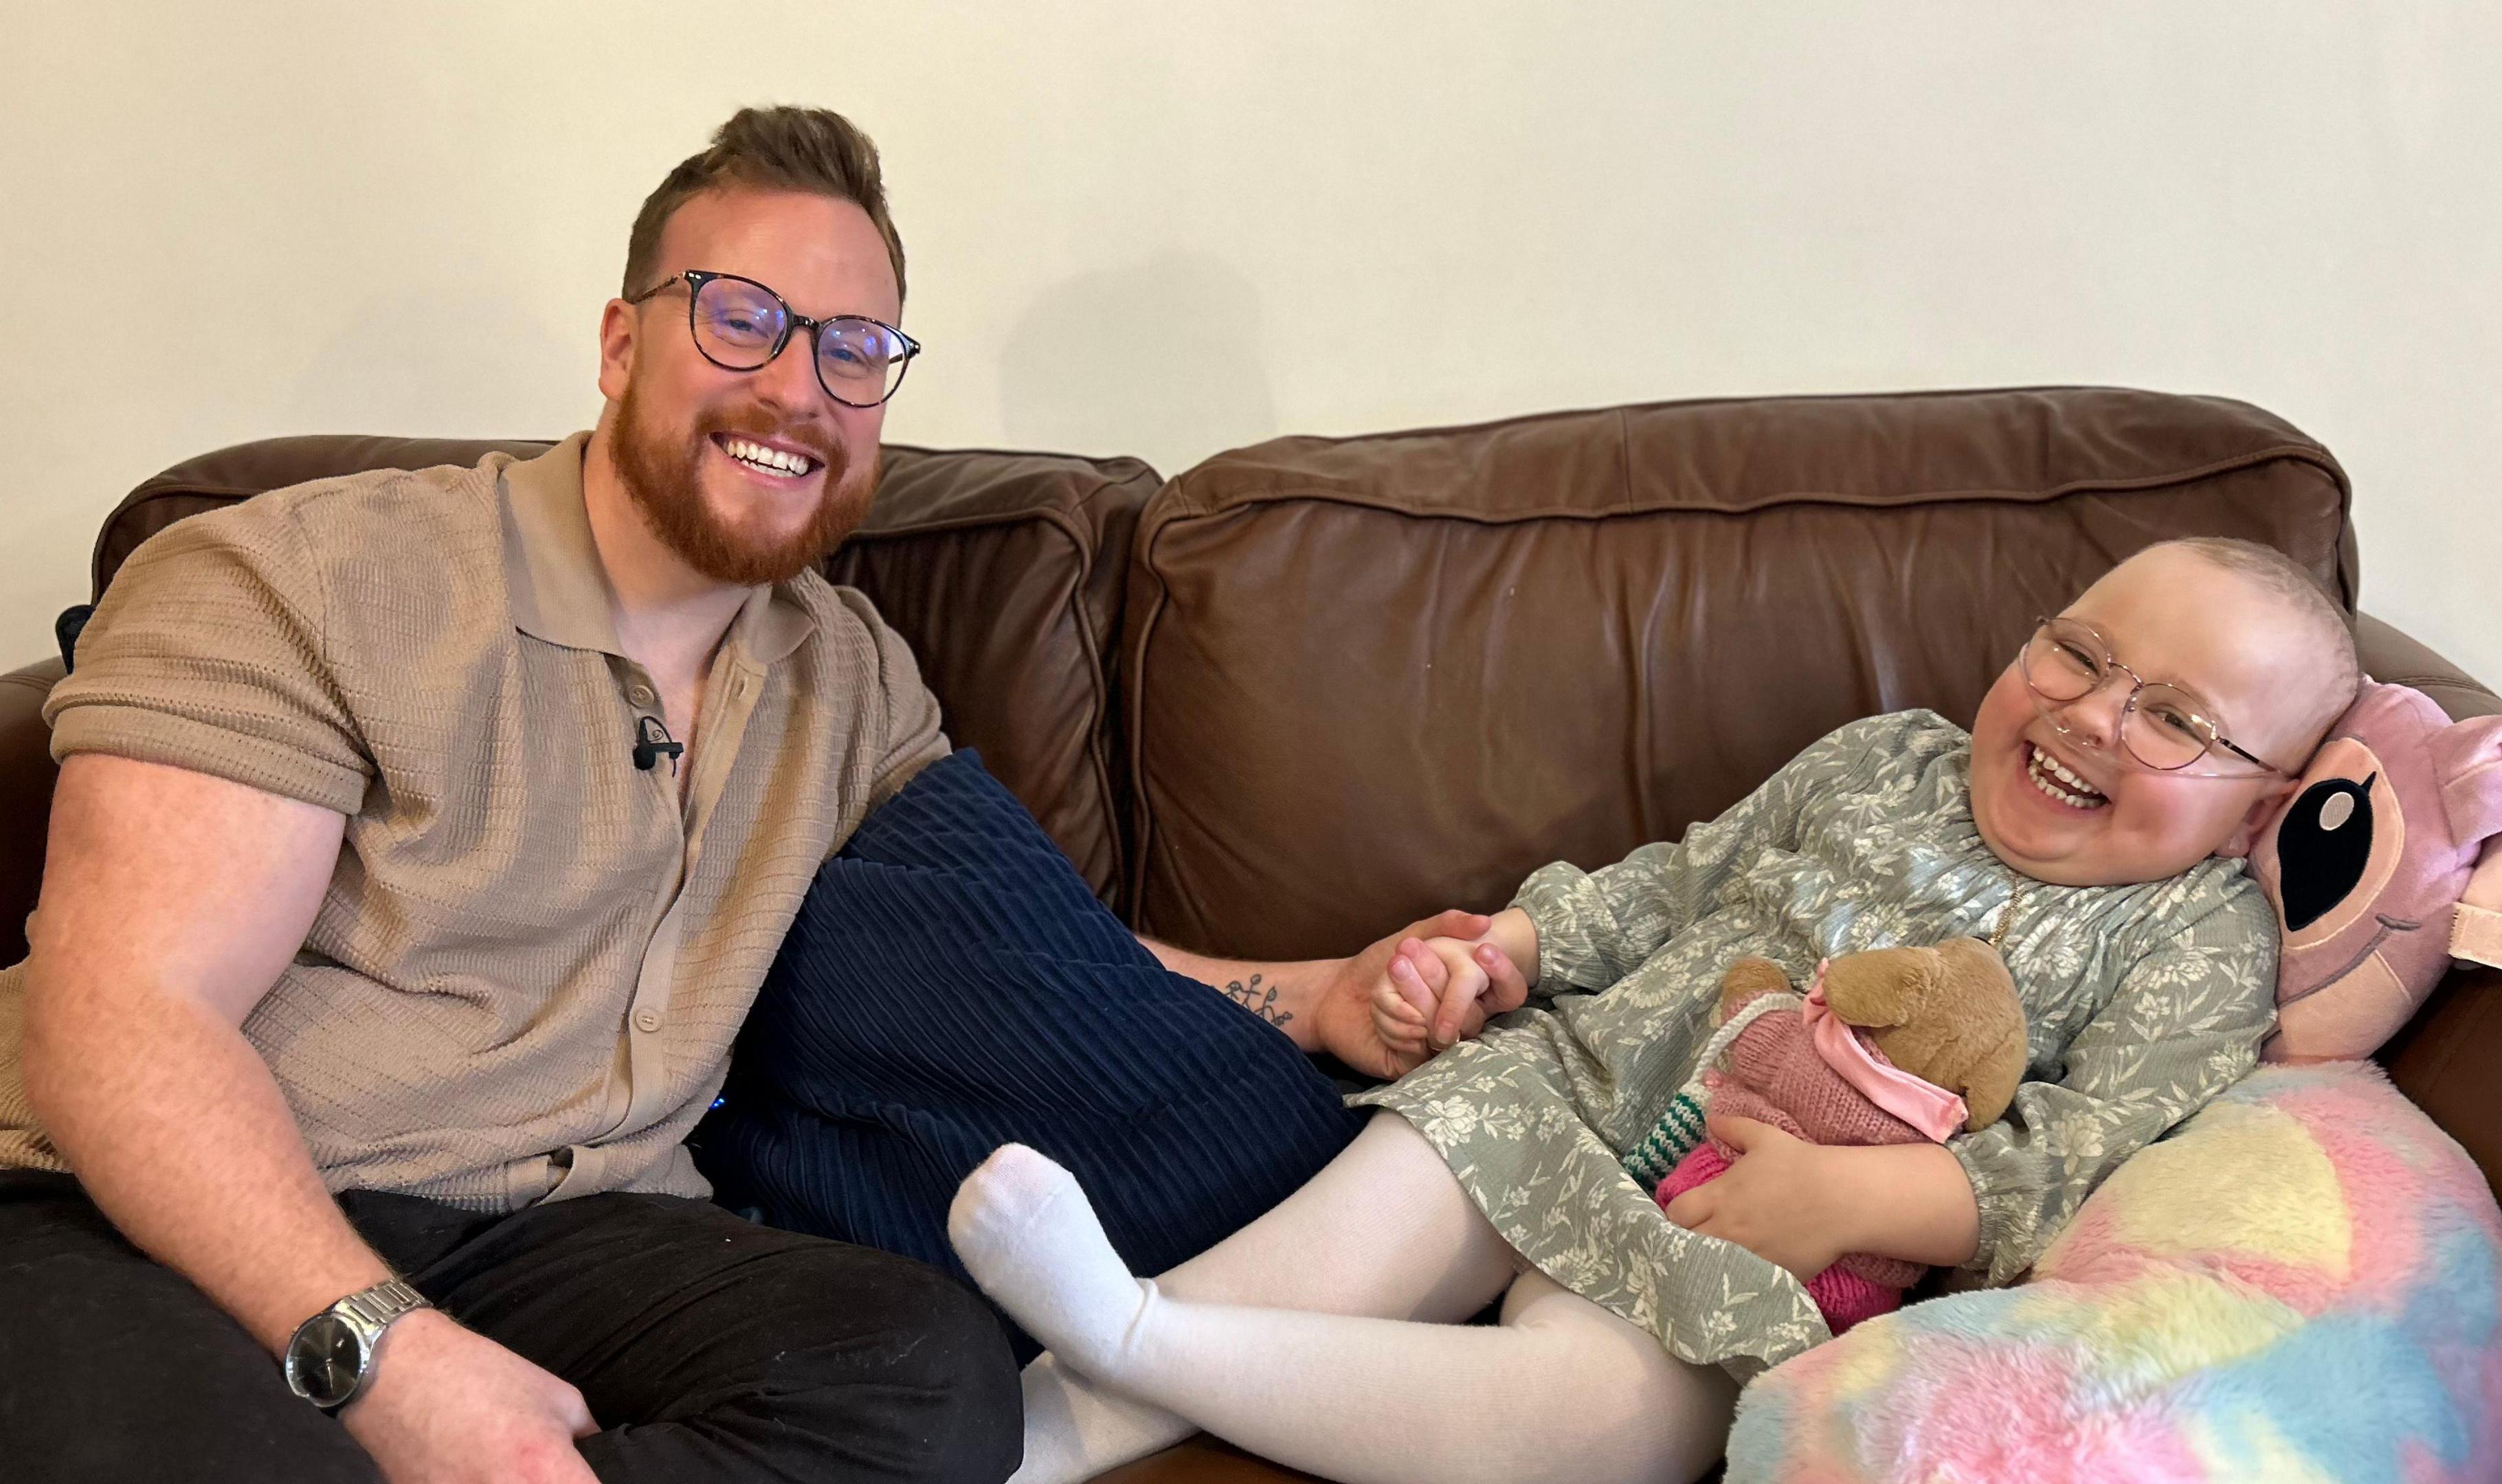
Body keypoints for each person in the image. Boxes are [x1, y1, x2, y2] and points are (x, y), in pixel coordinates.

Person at [0, 106, 1036, 1484]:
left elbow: (1016, 945)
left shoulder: (849, 675)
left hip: (563, 1230)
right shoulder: (301, 578)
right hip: (156, 1208)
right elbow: (127, 1020)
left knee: (932, 1382)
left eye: (856, 350)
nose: (799, 389)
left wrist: (1318, 994)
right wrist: (391, 1357)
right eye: (741, 318)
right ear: (622, 344)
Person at [948, 537, 2367, 1484]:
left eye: (2177, 719)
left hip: (1755, 1245)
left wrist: (1860, 1203)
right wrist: (1506, 951)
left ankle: (1142, 1344)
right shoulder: (1888, 760)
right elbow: (1674, 885)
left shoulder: (2197, 935)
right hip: (1571, 1089)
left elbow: (2083, 1155)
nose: (2093, 716)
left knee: (1610, 1425)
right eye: (2078, 651)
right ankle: (1027, 1437)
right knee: (1346, 1237)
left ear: (2267, 803)